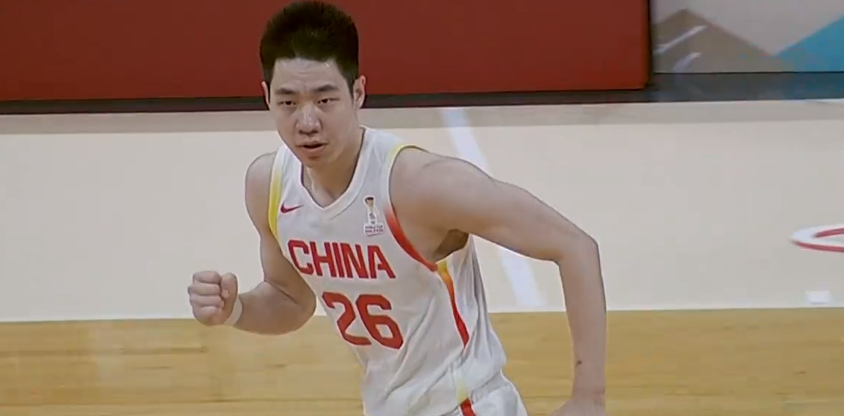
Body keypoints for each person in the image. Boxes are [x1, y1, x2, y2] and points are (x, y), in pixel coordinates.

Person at [186, 2, 608, 416]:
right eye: (288, 102)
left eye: (325, 100)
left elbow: (574, 247)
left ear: (358, 93)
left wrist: (589, 398)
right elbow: (290, 299)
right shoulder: (270, 186)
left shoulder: (419, 185)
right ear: (267, 98)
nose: (307, 122)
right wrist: (235, 309)